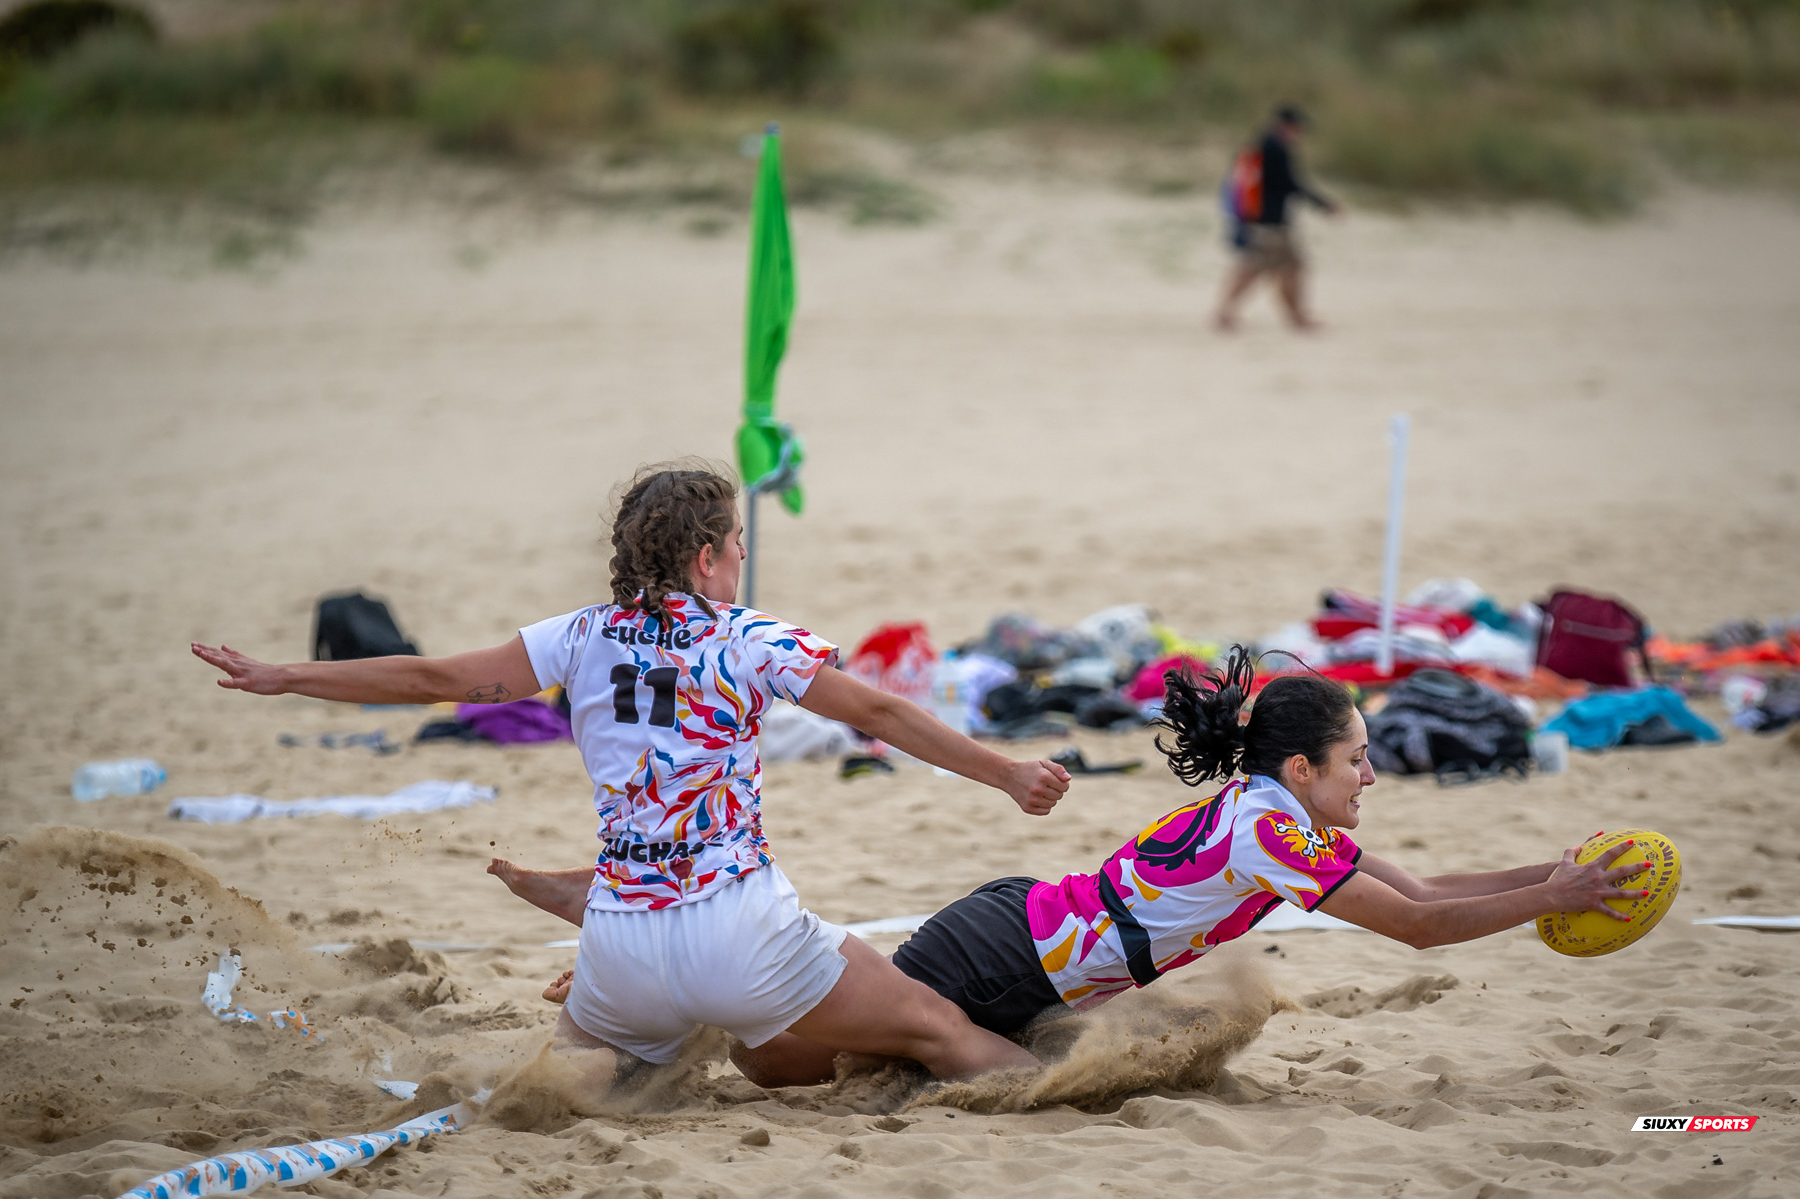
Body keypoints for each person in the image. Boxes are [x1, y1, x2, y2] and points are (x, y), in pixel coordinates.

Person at [192, 463, 1071, 1098]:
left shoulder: (575, 637)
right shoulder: (748, 637)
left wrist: (286, 675)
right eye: (733, 547)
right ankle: (1076, 1105)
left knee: (600, 1087)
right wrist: (1006, 773)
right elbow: (876, 715)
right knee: (939, 1030)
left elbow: (430, 680)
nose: (738, 562)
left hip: (617, 949)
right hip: (740, 929)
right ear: (703, 560)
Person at [492, 645, 1648, 1087]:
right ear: (1301, 768)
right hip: (1011, 956)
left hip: (1023, 935)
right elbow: (1416, 933)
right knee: (785, 1070)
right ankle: (625, 932)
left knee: (808, 1058)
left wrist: (1549, 871)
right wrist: (1556, 902)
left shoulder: (1277, 814)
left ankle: (636, 938)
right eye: (1357, 760)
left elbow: (1430, 895)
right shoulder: (1270, 829)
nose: (1370, 777)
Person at [1215, 104, 1342, 332]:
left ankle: (1230, 312)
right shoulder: (1275, 150)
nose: (1300, 135)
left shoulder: (1257, 145)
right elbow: (1290, 184)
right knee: (1279, 268)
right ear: (1289, 126)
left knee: (1268, 267)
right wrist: (1323, 204)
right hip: (1271, 223)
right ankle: (1294, 318)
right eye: (1299, 129)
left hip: (1255, 220)